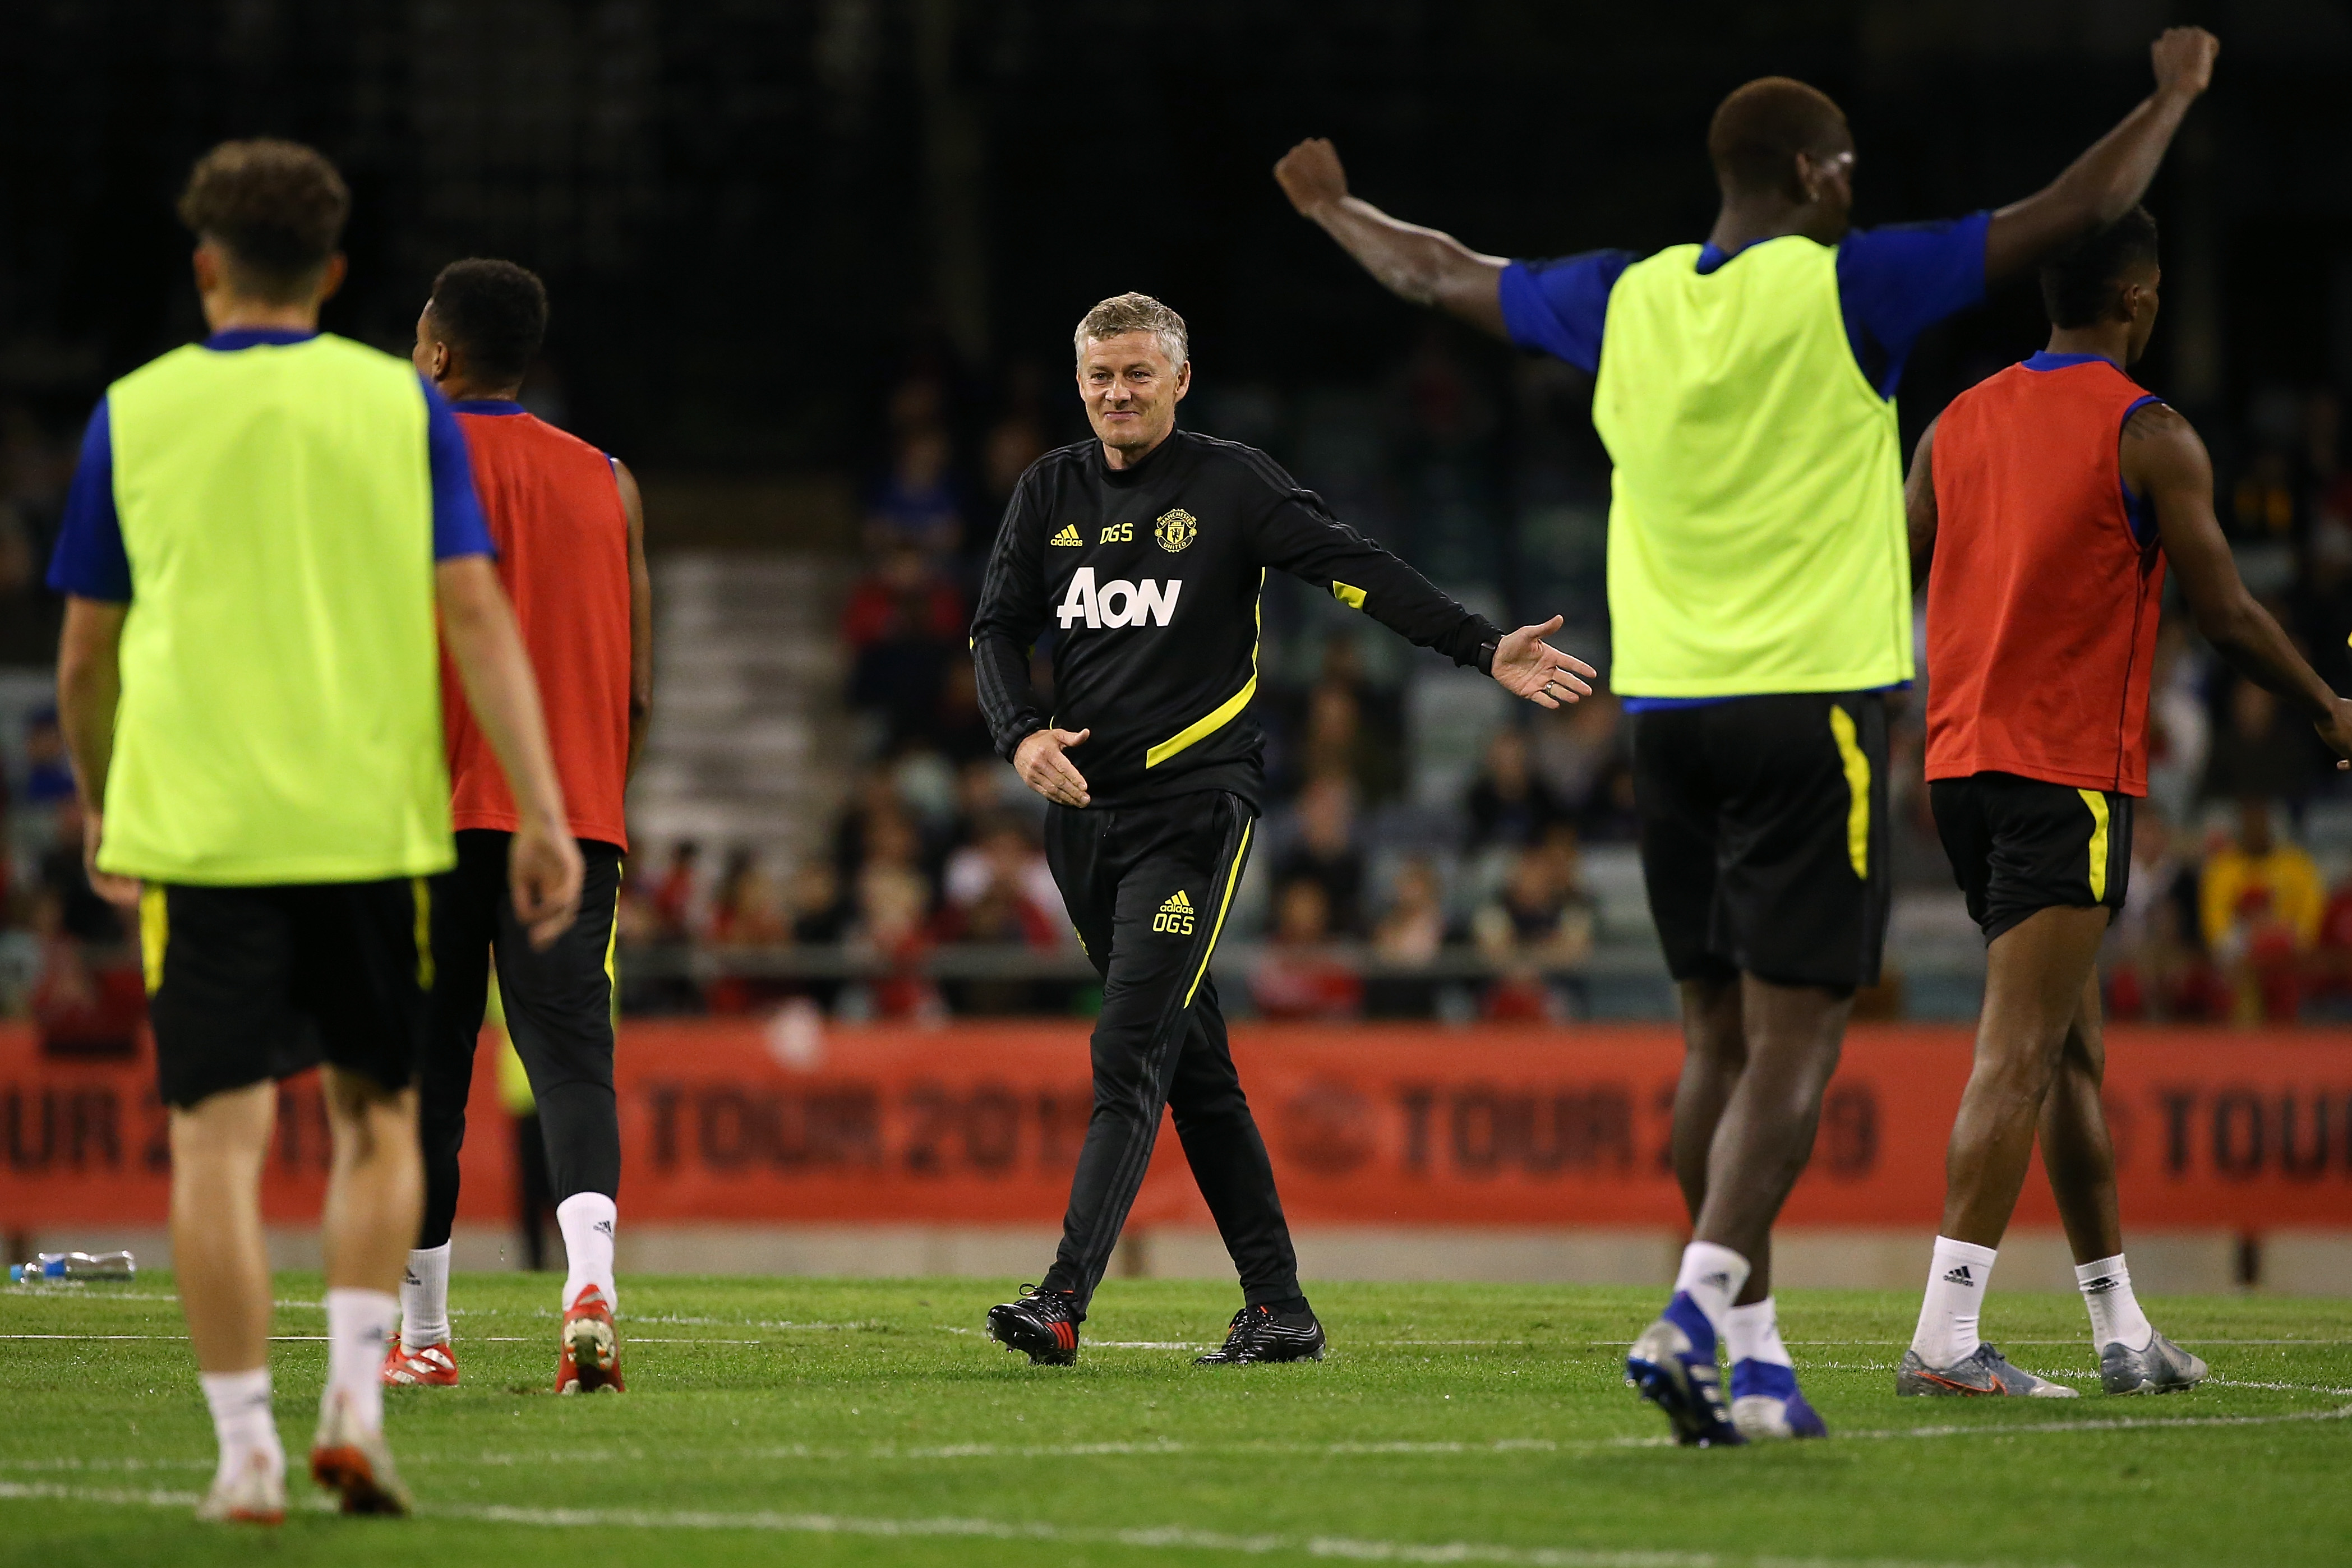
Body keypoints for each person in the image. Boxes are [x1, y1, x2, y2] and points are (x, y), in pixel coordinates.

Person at [1276, 24, 2222, 1446]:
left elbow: (1433, 270)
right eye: (1846, 166)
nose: (1854, 183)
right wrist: (2174, 95)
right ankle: (1696, 1305)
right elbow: (2077, 210)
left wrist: (1333, 208)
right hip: (1808, 711)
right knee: (1795, 1042)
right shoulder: (1853, 284)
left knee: (1711, 1042)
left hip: (1663, 721)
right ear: (1813, 171)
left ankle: (1758, 1361)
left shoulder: (1626, 298)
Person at [46, 141, 580, 1521]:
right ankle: (353, 1404)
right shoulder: (398, 407)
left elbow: (86, 655)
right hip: (367, 826)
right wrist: (540, 806)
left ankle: (245, 1453)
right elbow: (475, 614)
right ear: (336, 273)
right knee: (377, 1119)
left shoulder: (133, 413)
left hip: (200, 831)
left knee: (216, 1147)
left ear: (205, 266)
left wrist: (103, 799)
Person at [970, 292, 1593, 1366]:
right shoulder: (1048, 490)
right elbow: (994, 629)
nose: (1116, 393)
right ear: (1079, 383)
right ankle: (1278, 1307)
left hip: (1191, 812)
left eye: (1137, 374)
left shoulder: (1230, 484)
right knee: (1192, 1067)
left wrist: (1480, 645)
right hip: (1080, 820)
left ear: (1180, 380)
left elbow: (1356, 568)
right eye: (1099, 376)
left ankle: (1062, 1298)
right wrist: (1019, 734)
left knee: (1128, 1046)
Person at [1903, 208, 2352, 1398]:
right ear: (2139, 298)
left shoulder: (1957, 420)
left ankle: (2120, 1330)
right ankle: (1945, 1337)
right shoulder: (2147, 432)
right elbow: (2227, 612)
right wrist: (2327, 705)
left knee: (2068, 1052)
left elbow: (1890, 564)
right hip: (2063, 775)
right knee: (2019, 1052)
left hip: (1959, 770)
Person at [393, 258, 652, 1397]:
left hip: (424, 816)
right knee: (573, 1061)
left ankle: (424, 1335)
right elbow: (636, 684)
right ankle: (588, 1288)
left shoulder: (395, 462)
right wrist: (596, 801)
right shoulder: (609, 481)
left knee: (426, 1073)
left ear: (439, 351)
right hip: (573, 817)